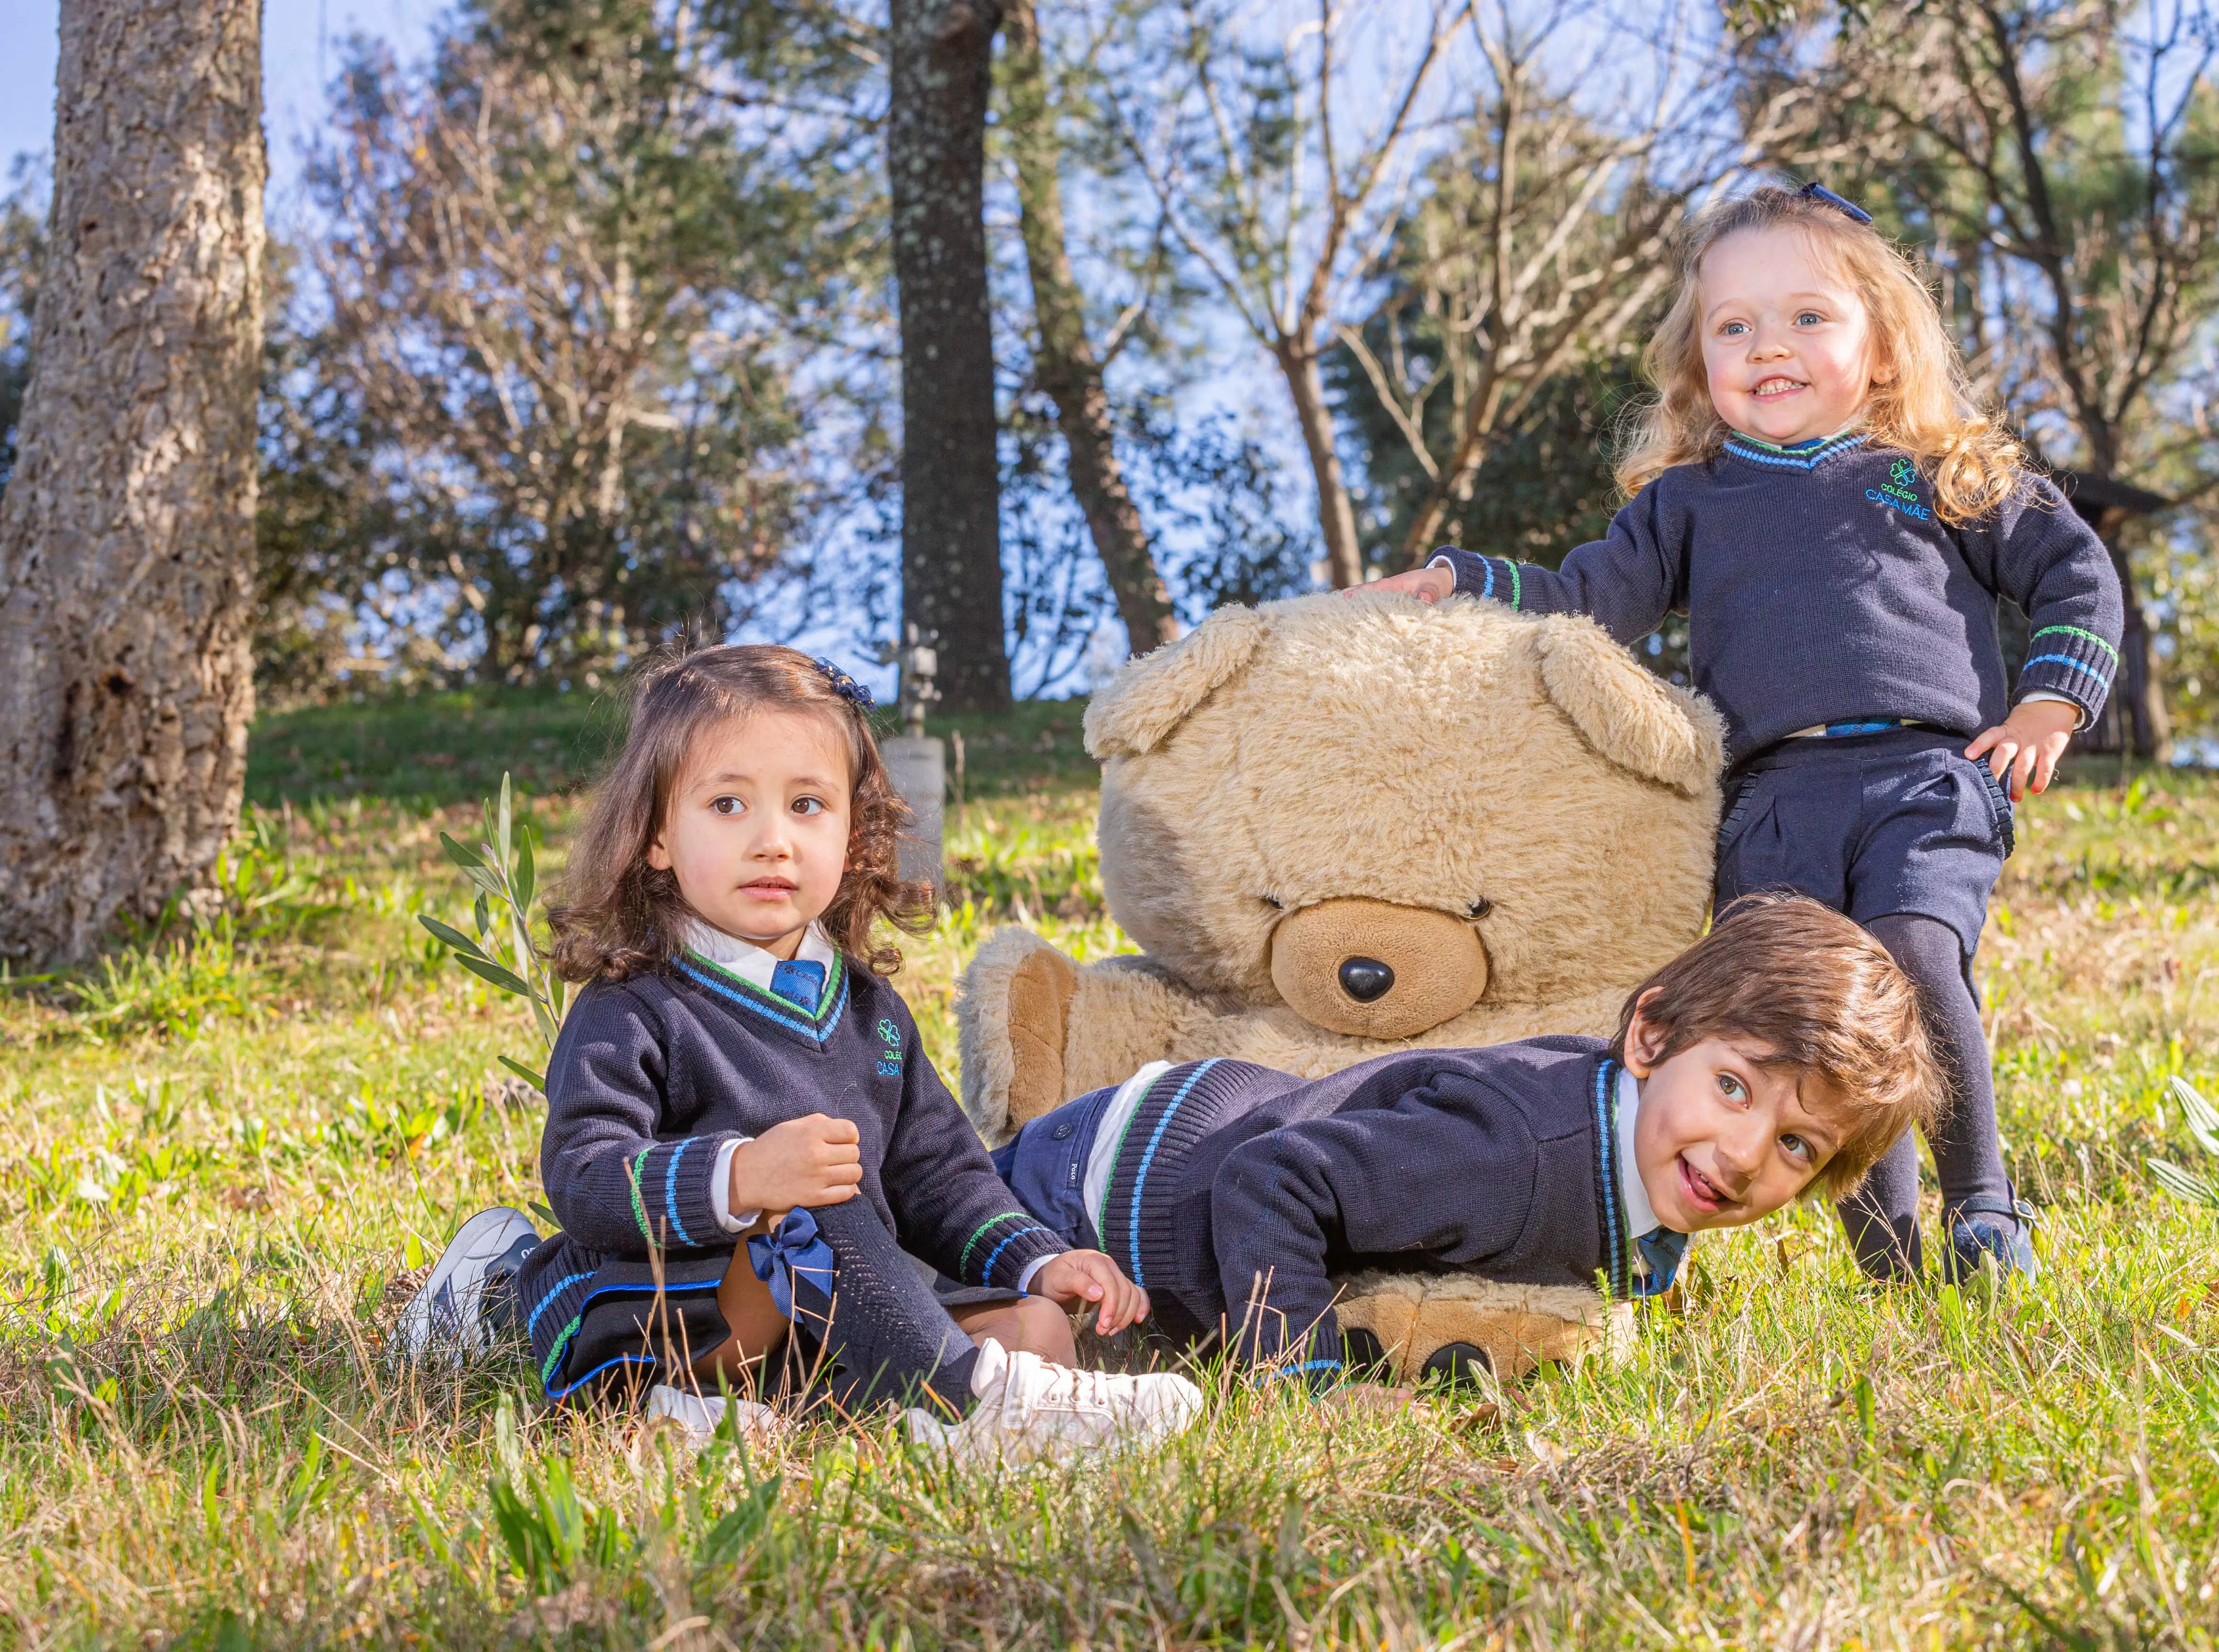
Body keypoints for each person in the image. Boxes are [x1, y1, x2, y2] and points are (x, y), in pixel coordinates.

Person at [1357, 182, 2122, 1284]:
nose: (1772, 346)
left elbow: (2074, 571)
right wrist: (1463, 580)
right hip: (1767, 804)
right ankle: (1890, 1260)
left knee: (1911, 956)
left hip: (1927, 773)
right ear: (1698, 363)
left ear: (1885, 344)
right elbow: (1588, 597)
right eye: (1735, 326)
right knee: (1809, 1025)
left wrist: (2052, 701)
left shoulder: (1942, 475)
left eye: (1809, 317)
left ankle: (1984, 1212)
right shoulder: (1689, 501)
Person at [400, 644, 1202, 1465]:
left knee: (1034, 1326)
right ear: (655, 838)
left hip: (833, 1322)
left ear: (856, 838)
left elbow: (939, 1177)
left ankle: (938, 1411)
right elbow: (585, 1175)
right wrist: (742, 1176)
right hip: (683, 1314)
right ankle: (964, 1412)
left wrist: (1038, 1260)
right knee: (810, 1198)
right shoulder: (632, 1006)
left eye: (808, 805)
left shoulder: (871, 1012)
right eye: (726, 805)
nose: (773, 841)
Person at [993, 896, 1944, 1390]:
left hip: (1203, 1137)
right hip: (1122, 1187)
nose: (1741, 1153)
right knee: (988, 1327)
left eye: (1796, 1146)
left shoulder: (1642, 1145)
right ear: (1651, 1036)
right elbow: (1272, 1178)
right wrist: (1301, 1379)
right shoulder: (1518, 1160)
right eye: (1734, 1087)